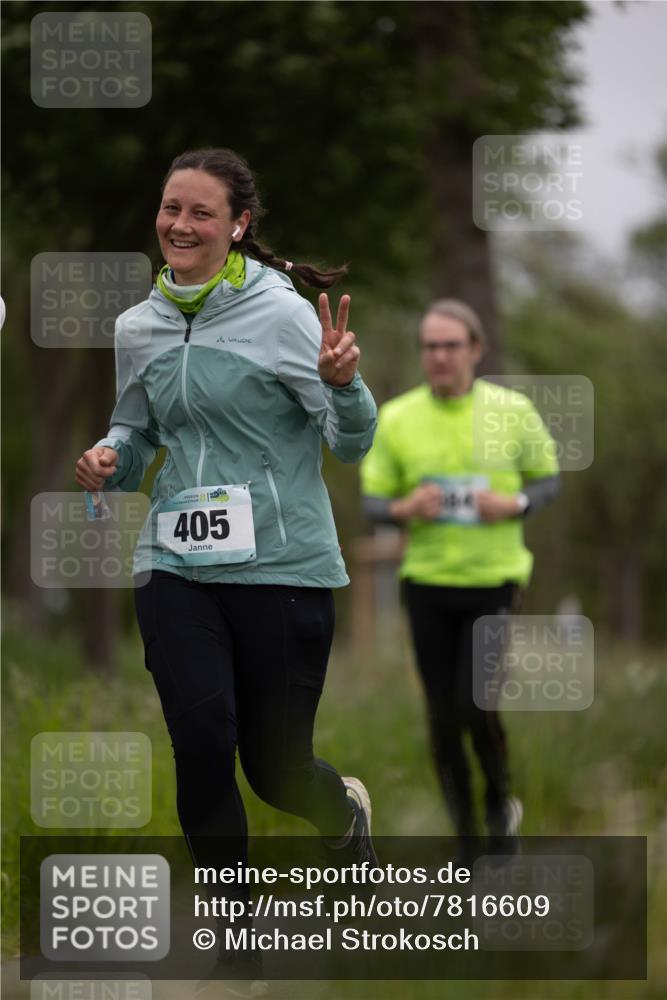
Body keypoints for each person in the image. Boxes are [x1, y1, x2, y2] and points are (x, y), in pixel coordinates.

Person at [74, 147, 378, 991]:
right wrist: (108, 457)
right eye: (171, 208)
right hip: (176, 562)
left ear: (238, 224)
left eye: (201, 212)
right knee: (201, 741)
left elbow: (352, 442)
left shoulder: (282, 317)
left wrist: (344, 386)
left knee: (275, 770)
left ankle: (341, 814)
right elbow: (134, 438)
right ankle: (236, 930)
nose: (180, 224)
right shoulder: (138, 325)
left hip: (282, 566)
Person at [360, 299, 560, 858]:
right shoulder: (396, 417)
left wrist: (514, 502)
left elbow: (547, 482)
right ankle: (466, 838)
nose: (439, 356)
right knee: (443, 719)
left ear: (475, 349)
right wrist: (404, 509)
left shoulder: (513, 410)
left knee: (477, 706)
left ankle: (500, 811)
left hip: (493, 582)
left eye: (450, 346)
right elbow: (373, 502)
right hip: (425, 583)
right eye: (429, 346)